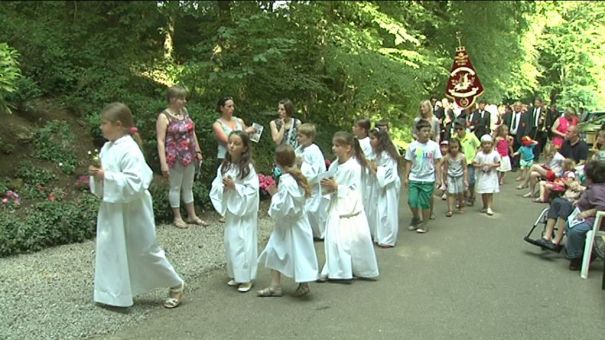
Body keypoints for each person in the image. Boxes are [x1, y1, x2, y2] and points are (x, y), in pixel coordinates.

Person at [89, 102, 184, 309]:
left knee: (144, 249)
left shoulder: (130, 149)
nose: (101, 127)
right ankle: (114, 293)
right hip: (113, 208)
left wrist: (107, 176)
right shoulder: (106, 148)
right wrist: (97, 176)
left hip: (133, 208)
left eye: (104, 123)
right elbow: (105, 177)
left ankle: (176, 283)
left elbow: (136, 182)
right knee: (112, 248)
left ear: (118, 124)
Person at [257, 144, 319, 298]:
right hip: (299, 222)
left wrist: (274, 194)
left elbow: (285, 206)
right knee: (283, 250)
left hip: (289, 224)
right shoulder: (298, 176)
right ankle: (278, 285)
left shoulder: (286, 180)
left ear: (278, 162)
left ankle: (285, 285)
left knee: (284, 251)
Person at [319, 131, 379, 281]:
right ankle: (334, 269)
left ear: (348, 148)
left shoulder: (354, 167)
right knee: (334, 240)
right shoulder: (334, 164)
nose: (334, 148)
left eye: (338, 146)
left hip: (349, 209)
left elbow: (355, 190)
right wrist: (326, 185)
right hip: (335, 205)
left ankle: (354, 270)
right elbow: (329, 179)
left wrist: (337, 187)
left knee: (350, 242)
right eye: (333, 145)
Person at [209, 131, 259, 293]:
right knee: (231, 242)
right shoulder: (225, 166)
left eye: (237, 143)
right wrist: (222, 187)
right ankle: (236, 274)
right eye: (230, 142)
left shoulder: (248, 168)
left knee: (243, 243)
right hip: (232, 211)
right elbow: (215, 185)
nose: (232, 146)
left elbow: (252, 190)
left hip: (243, 213)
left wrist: (235, 187)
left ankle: (246, 277)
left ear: (244, 148)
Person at [156, 85, 208, 229]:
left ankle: (192, 215)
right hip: (175, 157)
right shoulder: (164, 117)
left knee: (188, 186)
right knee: (175, 187)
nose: (185, 101)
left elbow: (192, 133)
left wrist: (198, 151)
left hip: (189, 155)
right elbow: (160, 141)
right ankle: (177, 217)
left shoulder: (184, 112)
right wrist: (163, 163)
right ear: (172, 99)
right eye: (181, 98)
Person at [565, 160, 605, 271]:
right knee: (568, 225)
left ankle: (577, 257)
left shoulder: (597, 189)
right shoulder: (594, 185)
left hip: (597, 219)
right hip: (584, 214)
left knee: (575, 231)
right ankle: (578, 251)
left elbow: (602, 206)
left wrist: (587, 213)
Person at [404, 120, 443, 233]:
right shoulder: (412, 146)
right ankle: (416, 218)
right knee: (412, 201)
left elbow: (437, 162)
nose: (427, 133)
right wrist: (406, 177)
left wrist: (439, 178)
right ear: (418, 132)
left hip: (428, 178)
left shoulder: (434, 146)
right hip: (414, 178)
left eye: (428, 131)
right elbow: (408, 162)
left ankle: (424, 223)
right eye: (424, 131)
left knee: (425, 203)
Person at [368, 128, 401, 247]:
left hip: (389, 185)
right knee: (379, 210)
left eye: (373, 138)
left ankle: (388, 238)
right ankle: (380, 236)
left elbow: (389, 171)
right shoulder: (376, 153)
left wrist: (376, 168)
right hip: (380, 185)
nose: (370, 141)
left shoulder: (387, 154)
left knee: (387, 211)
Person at [294, 123, 327, 240]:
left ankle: (318, 233)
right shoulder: (299, 149)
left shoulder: (314, 150)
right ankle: (306, 232)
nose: (298, 139)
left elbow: (316, 171)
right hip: (302, 185)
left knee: (313, 210)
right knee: (304, 209)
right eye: (297, 136)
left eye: (301, 136)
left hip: (313, 186)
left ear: (309, 137)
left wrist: (303, 164)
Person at [212, 96, 256, 165]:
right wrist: (246, 131)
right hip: (225, 157)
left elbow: (245, 138)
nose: (232, 109)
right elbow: (227, 140)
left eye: (233, 106)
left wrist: (253, 132)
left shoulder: (239, 121)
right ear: (221, 108)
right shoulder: (218, 124)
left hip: (241, 156)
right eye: (229, 106)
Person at [353, 118, 377, 239]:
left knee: (366, 200)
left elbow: (370, 159)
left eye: (355, 126)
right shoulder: (354, 141)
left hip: (365, 175)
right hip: (355, 174)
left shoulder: (369, 142)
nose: (353, 128)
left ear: (362, 129)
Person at [453, 119, 480, 206]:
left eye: (460, 129)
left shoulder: (471, 136)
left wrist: (475, 157)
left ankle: (472, 195)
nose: (458, 131)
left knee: (471, 181)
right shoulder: (454, 138)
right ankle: (460, 197)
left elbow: (479, 146)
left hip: (469, 162)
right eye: (456, 129)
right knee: (459, 181)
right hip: (458, 162)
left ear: (465, 128)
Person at [473, 135, 501, 215]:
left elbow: (498, 164)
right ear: (482, 145)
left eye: (489, 143)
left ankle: (489, 207)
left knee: (489, 191)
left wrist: (491, 165)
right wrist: (481, 165)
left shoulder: (495, 153)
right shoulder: (479, 154)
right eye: (485, 144)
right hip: (482, 176)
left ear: (491, 144)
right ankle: (485, 206)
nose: (487, 145)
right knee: (483, 191)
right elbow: (474, 164)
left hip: (491, 176)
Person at [443, 138, 468, 217]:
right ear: (449, 148)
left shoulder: (462, 156)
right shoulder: (447, 157)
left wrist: (465, 179)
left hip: (460, 176)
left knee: (460, 192)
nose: (454, 149)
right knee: (450, 193)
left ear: (459, 147)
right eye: (452, 147)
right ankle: (450, 209)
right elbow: (445, 169)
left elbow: (465, 169)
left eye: (456, 147)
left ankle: (461, 205)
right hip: (450, 176)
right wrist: (445, 179)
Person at [503, 102, 527, 170]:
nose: (517, 107)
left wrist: (524, 136)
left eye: (519, 106)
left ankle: (515, 165)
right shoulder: (508, 114)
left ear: (521, 108)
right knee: (508, 150)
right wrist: (505, 134)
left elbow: (526, 127)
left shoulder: (524, 116)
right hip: (509, 135)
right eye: (516, 106)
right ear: (513, 107)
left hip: (518, 136)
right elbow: (504, 125)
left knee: (517, 150)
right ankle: (509, 164)